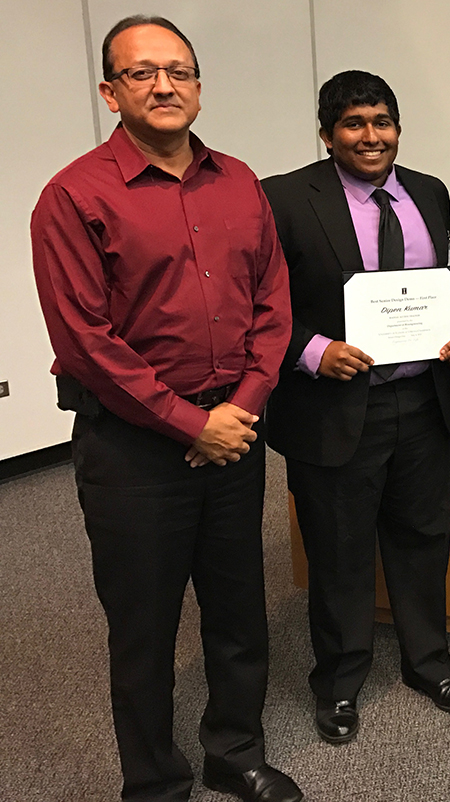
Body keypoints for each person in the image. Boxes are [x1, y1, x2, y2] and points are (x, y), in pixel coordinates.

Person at [29, 16, 302, 802]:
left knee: (238, 611)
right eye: (143, 73)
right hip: (133, 450)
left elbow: (272, 308)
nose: (164, 85)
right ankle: (153, 782)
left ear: (199, 87)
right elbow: (87, 341)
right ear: (111, 91)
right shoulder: (73, 196)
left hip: (234, 433)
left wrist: (241, 410)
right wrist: (191, 424)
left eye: (178, 71)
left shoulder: (241, 182)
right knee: (144, 631)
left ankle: (234, 751)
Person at [261, 70, 450, 744]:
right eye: (354, 123)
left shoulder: (430, 193)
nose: (371, 136)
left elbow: (447, 287)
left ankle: (428, 662)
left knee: (421, 541)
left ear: (397, 128)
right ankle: (340, 681)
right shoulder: (286, 199)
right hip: (333, 407)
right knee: (339, 552)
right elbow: (258, 308)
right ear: (327, 134)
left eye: (382, 121)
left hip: (422, 400)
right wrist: (313, 350)